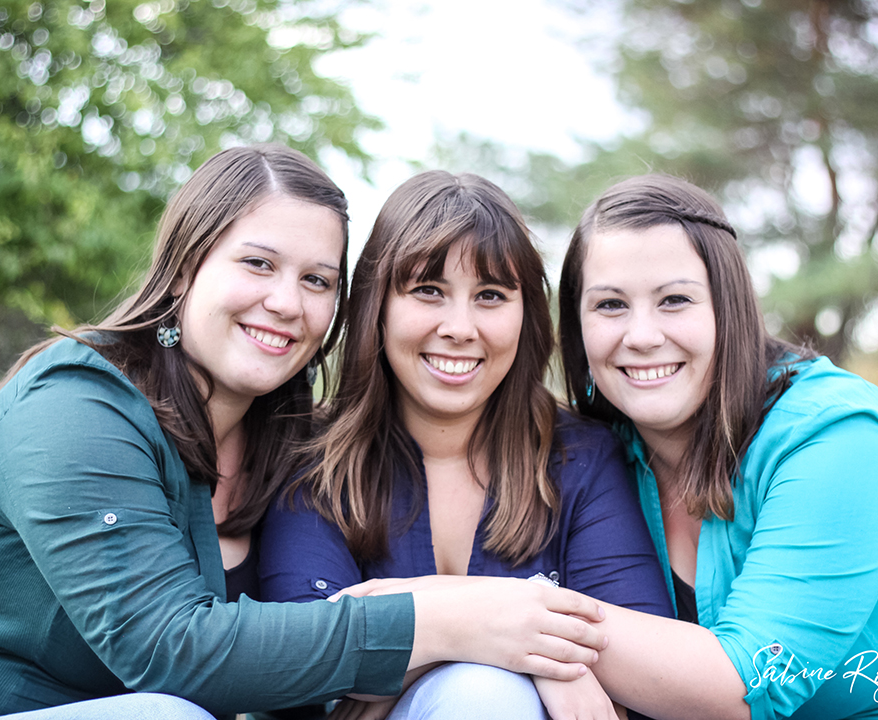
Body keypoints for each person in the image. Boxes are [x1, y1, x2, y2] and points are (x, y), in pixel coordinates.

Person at [0, 146, 612, 720]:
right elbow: (171, 649)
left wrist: (491, 635)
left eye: (317, 280)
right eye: (258, 264)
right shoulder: (74, 411)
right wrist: (456, 619)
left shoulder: (284, 438)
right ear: (187, 265)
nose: (286, 303)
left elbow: (300, 649)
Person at [551, 174, 878, 718]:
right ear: (578, 329)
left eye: (675, 300)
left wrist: (526, 627)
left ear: (730, 311)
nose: (642, 335)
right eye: (610, 305)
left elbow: (749, 682)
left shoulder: (839, 439)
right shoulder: (593, 453)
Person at [259, 171, 672, 720]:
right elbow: (307, 670)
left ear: (526, 316)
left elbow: (638, 672)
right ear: (377, 305)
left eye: (490, 296)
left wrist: (406, 648)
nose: (460, 326)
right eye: (429, 291)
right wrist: (506, 631)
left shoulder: (582, 456)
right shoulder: (313, 460)